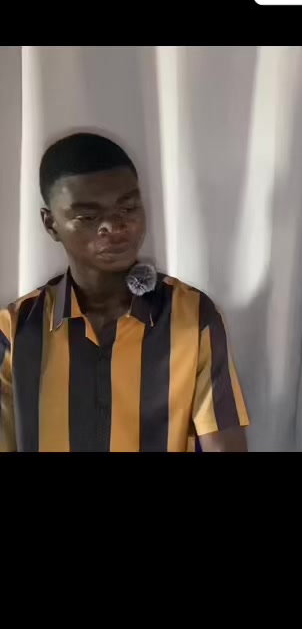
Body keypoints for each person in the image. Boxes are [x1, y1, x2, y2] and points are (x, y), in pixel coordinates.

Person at [0, 133, 249, 453]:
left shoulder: (192, 315)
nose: (114, 226)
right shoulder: (13, 330)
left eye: (128, 207)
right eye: (88, 216)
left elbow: (224, 445)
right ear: (51, 224)